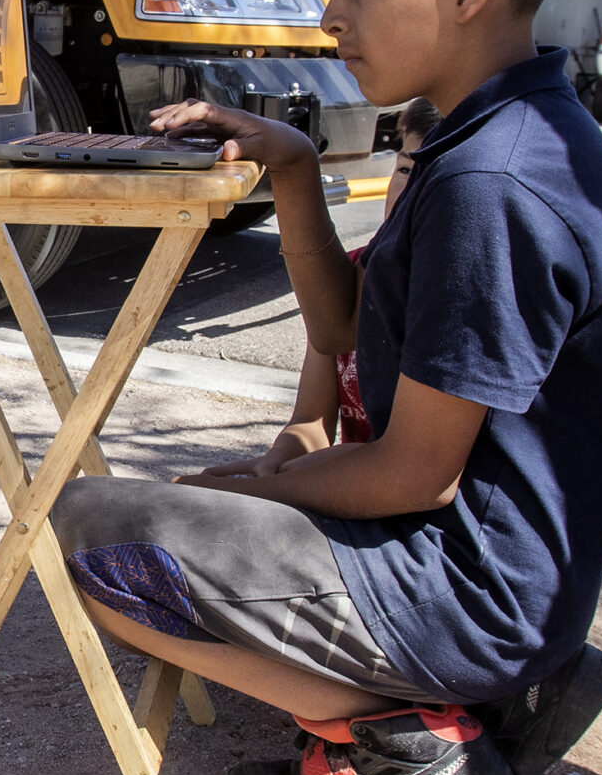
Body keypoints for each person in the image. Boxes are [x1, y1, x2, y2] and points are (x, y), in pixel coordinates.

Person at [52, 0, 602, 775]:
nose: (332, 13)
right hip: (487, 577)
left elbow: (414, 475)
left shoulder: (493, 184)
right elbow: (342, 330)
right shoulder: (487, 134)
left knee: (95, 538)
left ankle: (407, 744)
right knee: (181, 507)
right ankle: (496, 688)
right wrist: (290, 168)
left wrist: (264, 483)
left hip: (464, 587)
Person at [181, 98, 440, 488]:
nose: (409, 192)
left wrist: (277, 486)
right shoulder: (350, 272)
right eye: (404, 168)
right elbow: (311, 421)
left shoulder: (455, 293)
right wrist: (277, 461)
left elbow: (420, 473)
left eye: (435, 178)